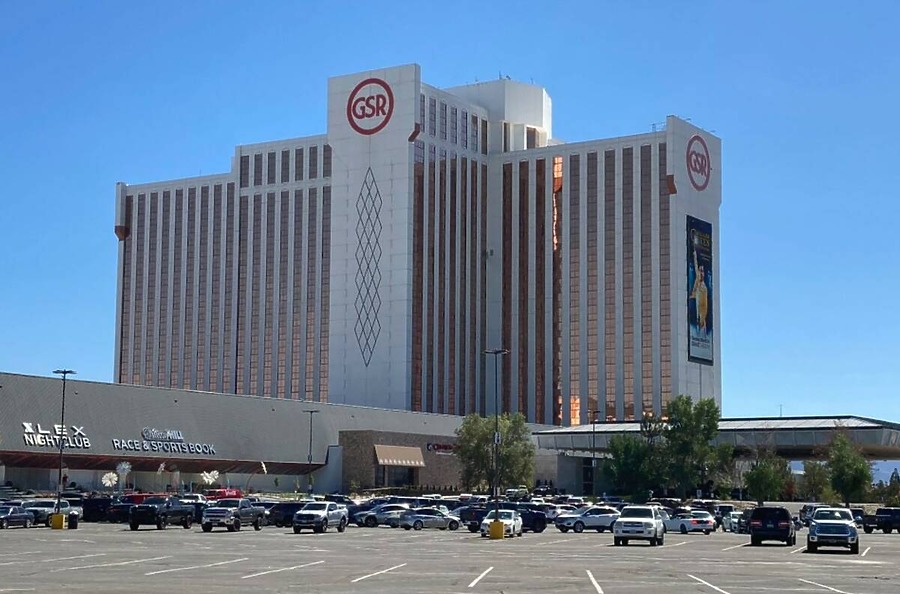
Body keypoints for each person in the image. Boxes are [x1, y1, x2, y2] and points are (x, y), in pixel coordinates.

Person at [690, 240, 709, 334]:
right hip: (699, 313)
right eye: (700, 271)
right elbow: (695, 263)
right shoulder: (697, 282)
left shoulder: (705, 284)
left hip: (704, 313)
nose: (701, 273)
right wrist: (694, 255)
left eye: (703, 271)